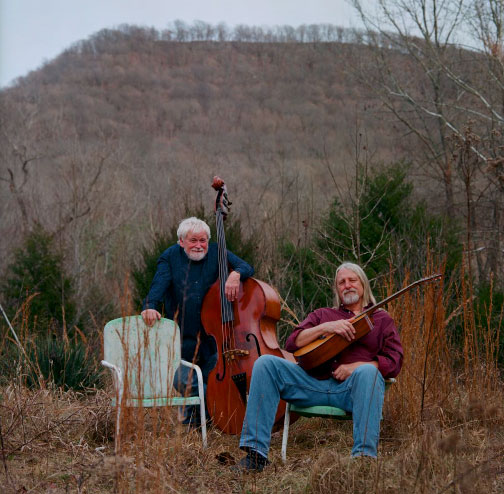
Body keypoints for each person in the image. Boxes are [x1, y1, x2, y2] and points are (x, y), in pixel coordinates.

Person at [235, 262, 403, 472]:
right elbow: (293, 342)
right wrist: (326, 327)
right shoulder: (323, 315)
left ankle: (363, 461)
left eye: (352, 280)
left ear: (363, 285)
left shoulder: (381, 319)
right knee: (266, 363)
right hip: (310, 385)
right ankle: (255, 455)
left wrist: (358, 366)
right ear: (337, 289)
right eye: (342, 282)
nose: (347, 285)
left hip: (351, 391)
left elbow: (395, 359)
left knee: (369, 371)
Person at [141, 217, 254, 426]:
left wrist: (236, 274)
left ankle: (201, 423)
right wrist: (150, 306)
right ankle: (206, 414)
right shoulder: (170, 257)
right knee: (183, 381)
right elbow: (158, 285)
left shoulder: (217, 252)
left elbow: (246, 266)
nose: (199, 245)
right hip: (183, 340)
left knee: (214, 378)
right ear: (181, 241)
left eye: (203, 240)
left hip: (215, 340)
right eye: (193, 240)